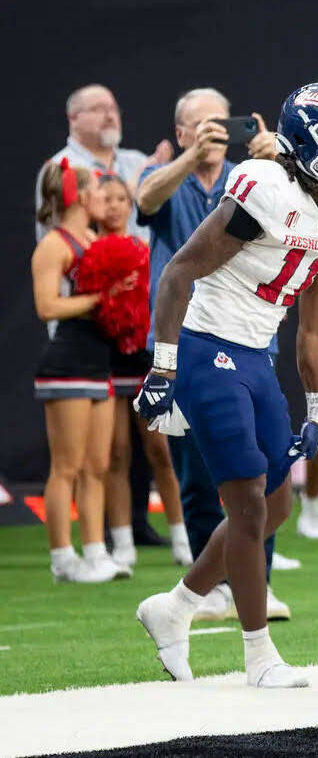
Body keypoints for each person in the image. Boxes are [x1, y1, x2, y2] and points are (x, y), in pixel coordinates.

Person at [133, 82, 318, 688]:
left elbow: (314, 325)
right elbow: (178, 274)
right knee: (244, 502)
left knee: (276, 503)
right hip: (203, 345)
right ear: (305, 145)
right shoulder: (264, 185)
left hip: (255, 355)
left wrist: (317, 406)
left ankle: (175, 607)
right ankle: (258, 655)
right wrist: (163, 369)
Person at [135, 87, 293, 618]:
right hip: (185, 338)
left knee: (264, 468)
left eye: (220, 124)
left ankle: (256, 580)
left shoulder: (254, 179)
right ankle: (212, 587)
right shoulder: (166, 174)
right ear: (180, 131)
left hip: (250, 337)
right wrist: (185, 159)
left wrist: (281, 166)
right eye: (200, 126)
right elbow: (146, 200)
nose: (213, 133)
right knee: (202, 473)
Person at [31, 160, 130, 583]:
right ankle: (61, 558)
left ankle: (95, 551)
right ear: (77, 196)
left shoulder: (92, 238)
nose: (102, 199)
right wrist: (99, 299)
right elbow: (47, 306)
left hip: (97, 362)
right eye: (95, 191)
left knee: (98, 464)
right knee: (66, 467)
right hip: (66, 363)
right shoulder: (54, 244)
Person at [94, 173, 190, 567]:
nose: (115, 205)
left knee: (160, 450)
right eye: (107, 198)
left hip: (144, 357)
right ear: (93, 203)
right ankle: (122, 543)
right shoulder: (86, 251)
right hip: (105, 358)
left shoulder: (141, 248)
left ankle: (183, 538)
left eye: (122, 198)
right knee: (116, 453)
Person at [35, 84, 170, 242]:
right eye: (98, 109)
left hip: (146, 264)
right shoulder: (61, 167)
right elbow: (54, 236)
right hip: (89, 265)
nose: (110, 116)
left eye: (113, 109)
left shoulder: (137, 161)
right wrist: (130, 188)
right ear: (73, 118)